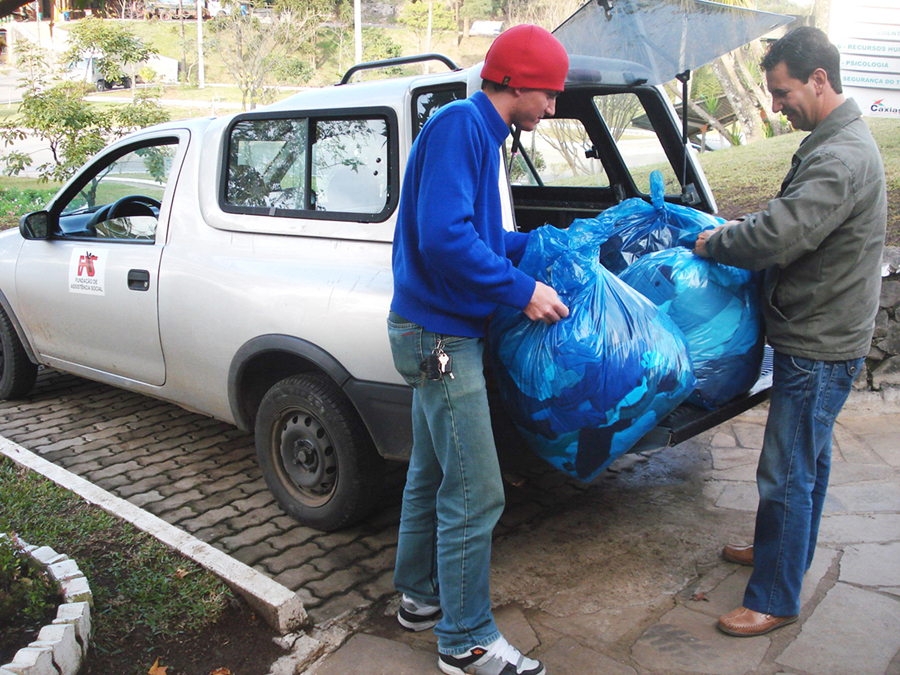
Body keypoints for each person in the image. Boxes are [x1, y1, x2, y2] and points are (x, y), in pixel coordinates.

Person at [386, 24, 570, 675]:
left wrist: (547, 244)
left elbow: (481, 237)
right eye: (548, 93)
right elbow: (442, 239)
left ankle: (419, 596)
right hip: (440, 338)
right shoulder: (462, 127)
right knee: (477, 489)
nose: (552, 106)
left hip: (427, 329)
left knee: (432, 471)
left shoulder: (481, 136)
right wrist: (523, 291)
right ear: (515, 84)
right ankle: (464, 640)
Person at [694, 26, 887, 638]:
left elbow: (779, 233)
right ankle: (781, 548)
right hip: (826, 329)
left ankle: (775, 597)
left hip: (819, 343)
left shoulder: (840, 155)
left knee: (786, 471)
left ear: (820, 79)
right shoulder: (840, 143)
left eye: (781, 92)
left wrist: (714, 241)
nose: (776, 105)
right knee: (808, 461)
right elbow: (794, 218)